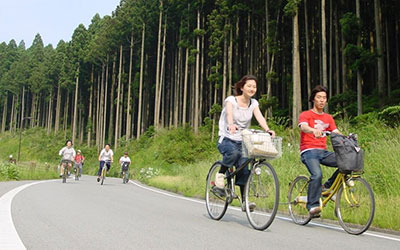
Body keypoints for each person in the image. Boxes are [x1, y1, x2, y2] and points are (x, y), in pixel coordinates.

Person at [217, 74, 276, 212]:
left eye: (254, 86)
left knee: (245, 168)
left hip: (243, 140)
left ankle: (245, 202)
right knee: (233, 153)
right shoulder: (231, 100)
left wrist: (267, 129)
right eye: (249, 86)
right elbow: (229, 113)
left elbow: (259, 116)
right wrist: (231, 125)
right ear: (242, 87)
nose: (252, 88)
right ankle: (220, 175)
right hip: (226, 138)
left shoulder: (254, 103)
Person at [298, 85, 342, 217]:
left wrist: (346, 138)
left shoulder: (328, 118)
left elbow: (335, 131)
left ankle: (327, 187)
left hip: (323, 151)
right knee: (317, 175)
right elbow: (304, 127)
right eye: (319, 97)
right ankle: (312, 206)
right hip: (309, 151)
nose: (322, 100)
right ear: (313, 99)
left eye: (324, 98)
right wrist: (313, 130)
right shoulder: (306, 114)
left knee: (346, 162)